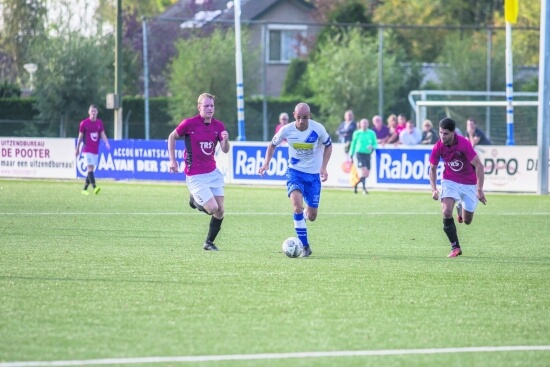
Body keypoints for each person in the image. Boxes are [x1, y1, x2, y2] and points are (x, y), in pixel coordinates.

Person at [258, 102, 332, 257]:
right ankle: (305, 246)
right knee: (297, 207)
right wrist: (266, 163)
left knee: (311, 216)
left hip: (313, 177)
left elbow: (328, 145)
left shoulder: (318, 129)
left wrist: (324, 167)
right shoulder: (286, 130)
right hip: (294, 173)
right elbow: (272, 145)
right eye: (298, 118)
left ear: (309, 116)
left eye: (305, 118)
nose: (301, 121)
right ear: (294, 115)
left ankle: (302, 218)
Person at [167, 93, 230, 251]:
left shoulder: (219, 126)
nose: (210, 108)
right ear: (199, 107)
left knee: (220, 210)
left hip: (213, 172)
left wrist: (226, 140)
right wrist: (172, 160)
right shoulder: (189, 124)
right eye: (206, 106)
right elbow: (172, 137)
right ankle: (194, 200)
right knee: (212, 209)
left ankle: (208, 242)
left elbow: (225, 149)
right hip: (195, 174)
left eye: (212, 106)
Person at [429, 117, 487, 258]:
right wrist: (434, 189)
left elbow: (479, 165)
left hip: (468, 182)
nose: (442, 136)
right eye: (441, 132)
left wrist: (479, 190)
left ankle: (460, 209)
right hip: (450, 180)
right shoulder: (438, 146)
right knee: (446, 211)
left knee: (467, 221)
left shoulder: (464, 144)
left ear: (453, 133)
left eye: (446, 133)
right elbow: (432, 168)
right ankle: (455, 247)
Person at [75, 104, 110, 195]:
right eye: (92, 111)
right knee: (90, 168)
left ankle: (84, 189)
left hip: (95, 149)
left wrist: (106, 143)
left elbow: (102, 134)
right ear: (89, 112)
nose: (93, 113)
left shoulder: (99, 123)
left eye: (95, 111)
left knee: (91, 169)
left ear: (97, 112)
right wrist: (77, 148)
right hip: (87, 149)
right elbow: (80, 136)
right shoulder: (84, 123)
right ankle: (95, 187)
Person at [349, 118, 377, 194]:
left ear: (368, 124)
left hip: (368, 154)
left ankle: (356, 185)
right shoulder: (357, 133)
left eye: (365, 123)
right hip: (359, 154)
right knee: (364, 171)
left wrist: (372, 146)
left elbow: (375, 144)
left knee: (367, 174)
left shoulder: (371, 133)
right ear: (360, 124)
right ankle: (364, 189)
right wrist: (351, 154)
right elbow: (353, 144)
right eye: (363, 123)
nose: (364, 125)